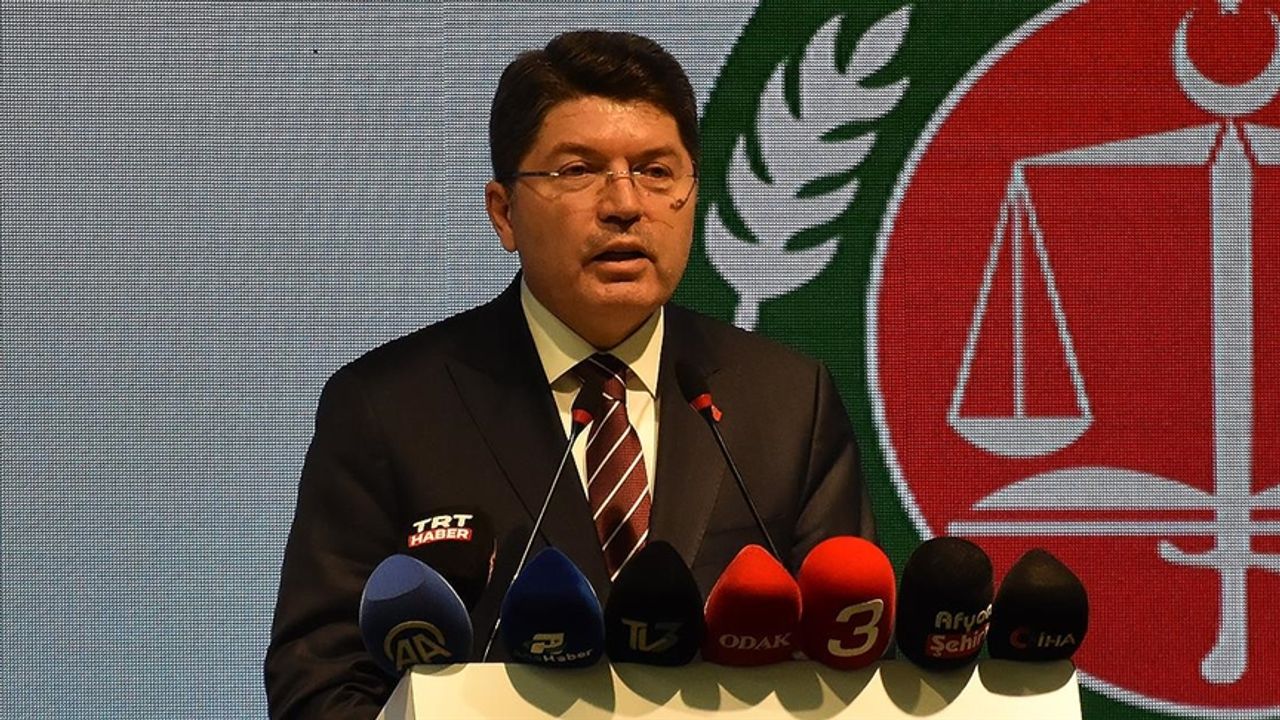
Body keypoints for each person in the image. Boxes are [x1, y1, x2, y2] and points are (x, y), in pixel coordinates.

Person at [265, 30, 875, 720]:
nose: (624, 204)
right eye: (578, 171)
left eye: (656, 171)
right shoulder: (389, 408)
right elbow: (319, 683)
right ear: (505, 213)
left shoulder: (787, 402)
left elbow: (853, 658)